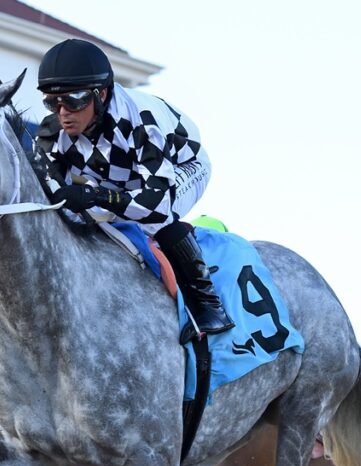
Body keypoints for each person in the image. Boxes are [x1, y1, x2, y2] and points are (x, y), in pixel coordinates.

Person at [35, 38, 234, 341]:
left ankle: (207, 304)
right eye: (53, 102)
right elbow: (47, 190)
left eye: (73, 100)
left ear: (100, 94)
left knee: (157, 220)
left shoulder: (142, 121)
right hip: (121, 181)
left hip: (180, 169)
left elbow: (154, 206)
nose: (62, 112)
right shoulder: (52, 134)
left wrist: (94, 196)